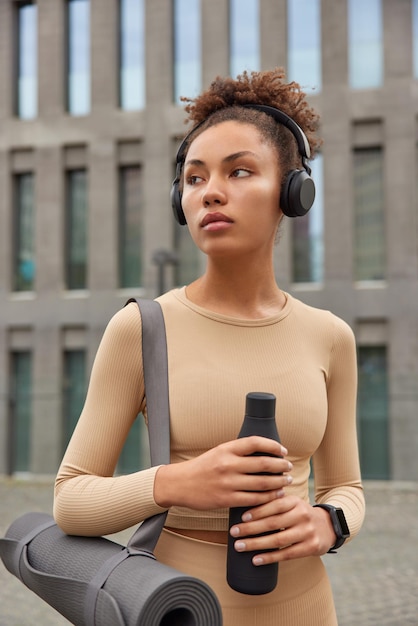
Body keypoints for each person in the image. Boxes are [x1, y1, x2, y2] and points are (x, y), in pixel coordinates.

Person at [54, 68, 365, 625]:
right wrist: (178, 483)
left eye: (239, 171)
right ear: (181, 200)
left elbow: (346, 486)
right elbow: (71, 501)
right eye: (194, 179)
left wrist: (328, 523)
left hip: (307, 609)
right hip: (178, 607)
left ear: (293, 193)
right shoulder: (141, 328)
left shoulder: (331, 337)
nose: (211, 191)